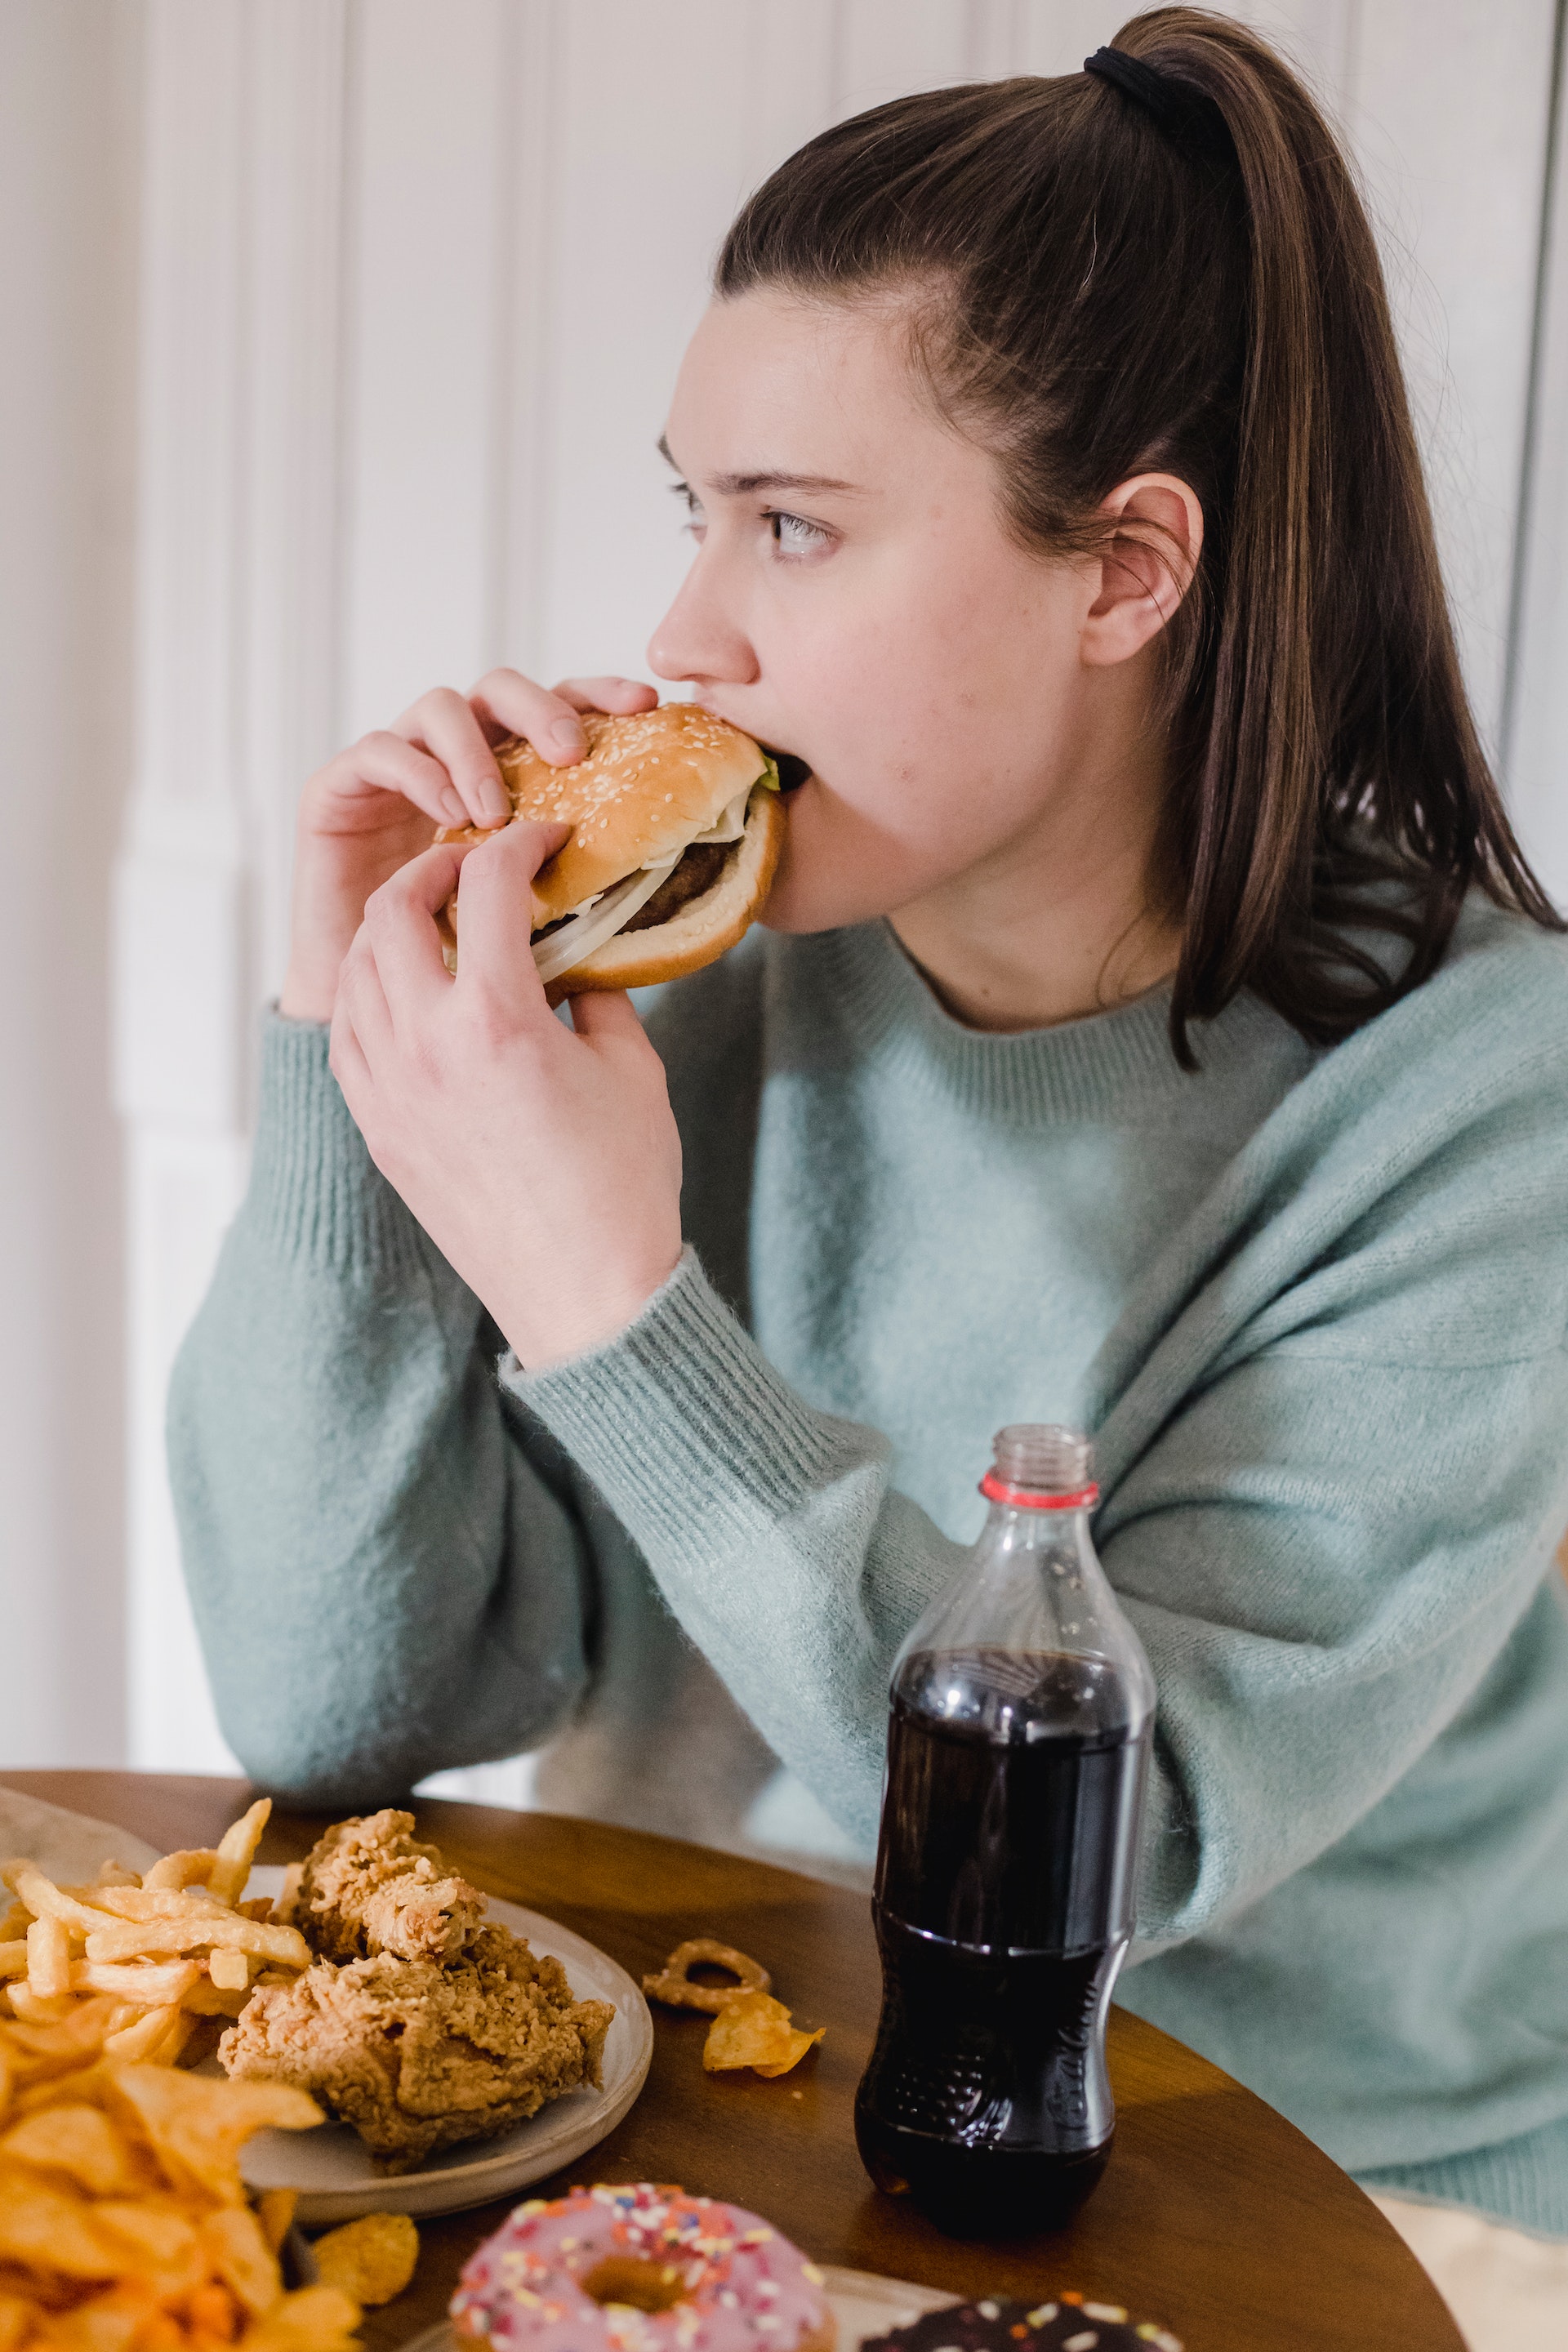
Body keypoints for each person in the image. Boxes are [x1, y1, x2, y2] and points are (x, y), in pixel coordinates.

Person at [169, 10, 1568, 2342]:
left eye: (794, 528)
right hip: (710, 2097)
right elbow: (329, 1711)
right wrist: (349, 1058)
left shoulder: (1482, 1096)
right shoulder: (692, 969)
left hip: (1303, 2196)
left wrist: (621, 1312)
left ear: (1125, 570)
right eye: (693, 513)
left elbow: (1149, 1846)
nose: (683, 638)